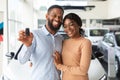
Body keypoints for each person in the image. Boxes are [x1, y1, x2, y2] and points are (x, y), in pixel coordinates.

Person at [17, 5, 64, 80]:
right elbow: (22, 60)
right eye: (54, 15)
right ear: (46, 16)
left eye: (60, 17)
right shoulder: (34, 35)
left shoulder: (60, 39)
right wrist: (27, 45)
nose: (57, 19)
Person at [53, 13, 92, 80]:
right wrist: (34, 60)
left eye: (71, 24)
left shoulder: (85, 42)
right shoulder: (64, 42)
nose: (68, 28)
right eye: (65, 26)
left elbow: (83, 70)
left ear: (79, 25)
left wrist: (60, 66)